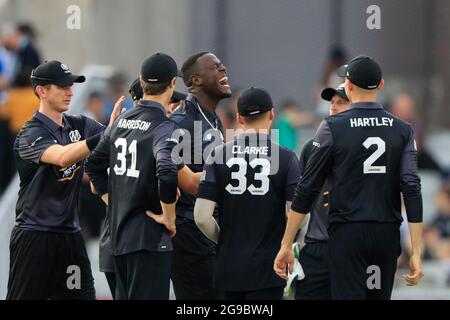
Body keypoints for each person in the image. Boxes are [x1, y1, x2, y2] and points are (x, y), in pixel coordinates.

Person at [274, 55, 424, 300]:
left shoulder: (334, 126)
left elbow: (307, 187)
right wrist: (416, 250)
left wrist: (286, 243)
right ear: (381, 85)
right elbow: (411, 186)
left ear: (349, 86)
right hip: (386, 233)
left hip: (348, 232)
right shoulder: (403, 129)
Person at [85, 53, 201, 300]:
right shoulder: (164, 126)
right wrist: (169, 217)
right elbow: (167, 171)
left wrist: (113, 200)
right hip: (148, 240)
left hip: (118, 239)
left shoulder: (120, 122)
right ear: (172, 84)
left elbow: (93, 163)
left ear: (141, 80)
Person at [7, 60, 123, 300]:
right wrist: (102, 137)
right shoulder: (30, 133)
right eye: (62, 86)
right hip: (35, 237)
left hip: (70, 236)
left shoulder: (79, 125)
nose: (70, 91)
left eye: (71, 85)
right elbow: (61, 157)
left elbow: (114, 139)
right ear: (42, 91)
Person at [194, 87, 300, 300]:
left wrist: (224, 241)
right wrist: (286, 244)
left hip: (229, 266)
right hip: (269, 266)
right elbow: (297, 214)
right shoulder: (287, 158)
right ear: (272, 114)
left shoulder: (218, 154)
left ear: (240, 118)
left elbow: (202, 217)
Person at [169, 51, 232, 299]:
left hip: (207, 230)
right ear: (195, 80)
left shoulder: (213, 119)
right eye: (215, 67)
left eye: (222, 64)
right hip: (188, 234)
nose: (223, 69)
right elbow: (165, 170)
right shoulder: (181, 120)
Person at [294, 83, 350, 300]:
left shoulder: (361, 147)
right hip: (317, 244)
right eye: (332, 103)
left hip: (351, 246)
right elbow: (300, 197)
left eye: (341, 102)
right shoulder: (311, 146)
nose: (334, 107)